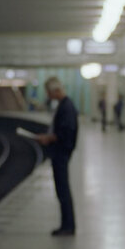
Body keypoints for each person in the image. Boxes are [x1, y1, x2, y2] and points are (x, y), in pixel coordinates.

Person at [34, 76, 79, 236]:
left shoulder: (66, 107)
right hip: (60, 152)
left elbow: (64, 132)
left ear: (55, 90)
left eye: (48, 92)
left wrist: (48, 138)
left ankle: (68, 225)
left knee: (63, 189)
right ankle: (66, 224)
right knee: (62, 189)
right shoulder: (64, 105)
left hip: (61, 153)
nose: (47, 95)